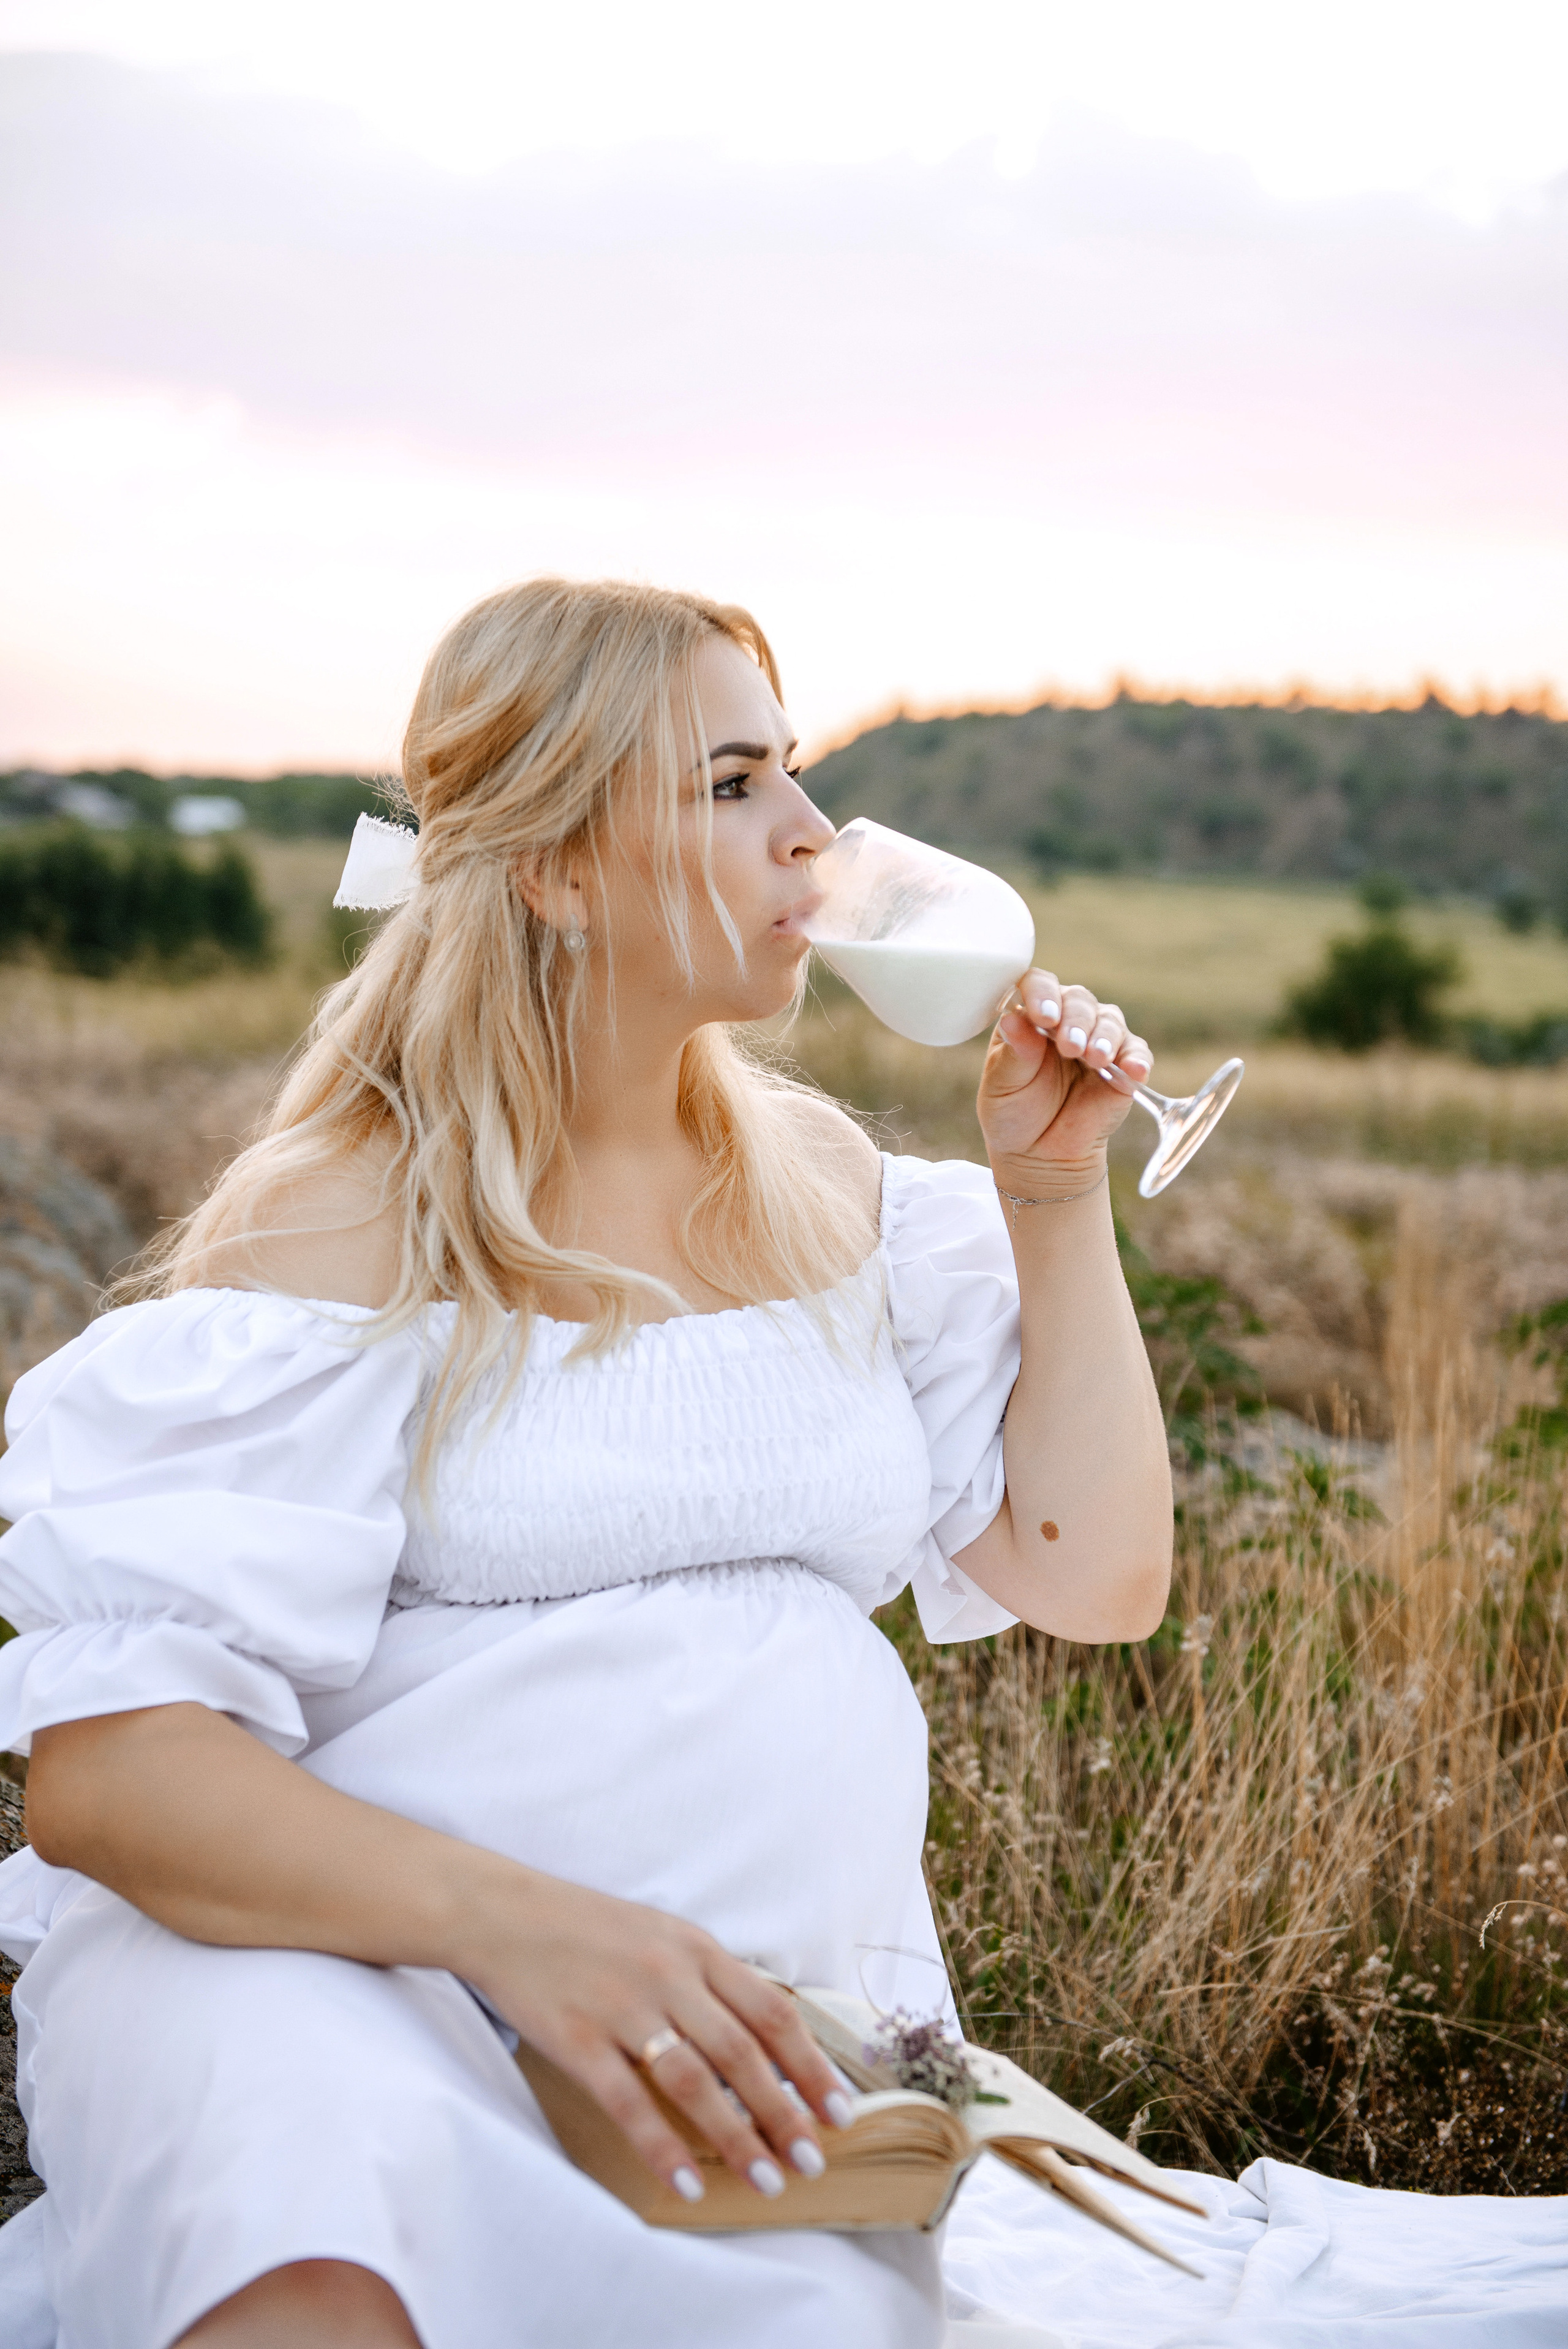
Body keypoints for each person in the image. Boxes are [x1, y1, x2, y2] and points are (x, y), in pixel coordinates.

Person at [0, 581, 1557, 2349]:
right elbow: (113, 1784)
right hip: (325, 1986)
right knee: (326, 2255)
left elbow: (1100, 1571)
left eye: (794, 770)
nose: (817, 834)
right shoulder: (346, 1223)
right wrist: (534, 1934)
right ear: (561, 866)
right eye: (734, 784)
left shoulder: (830, 1197)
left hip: (732, 2038)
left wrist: (1054, 1199)